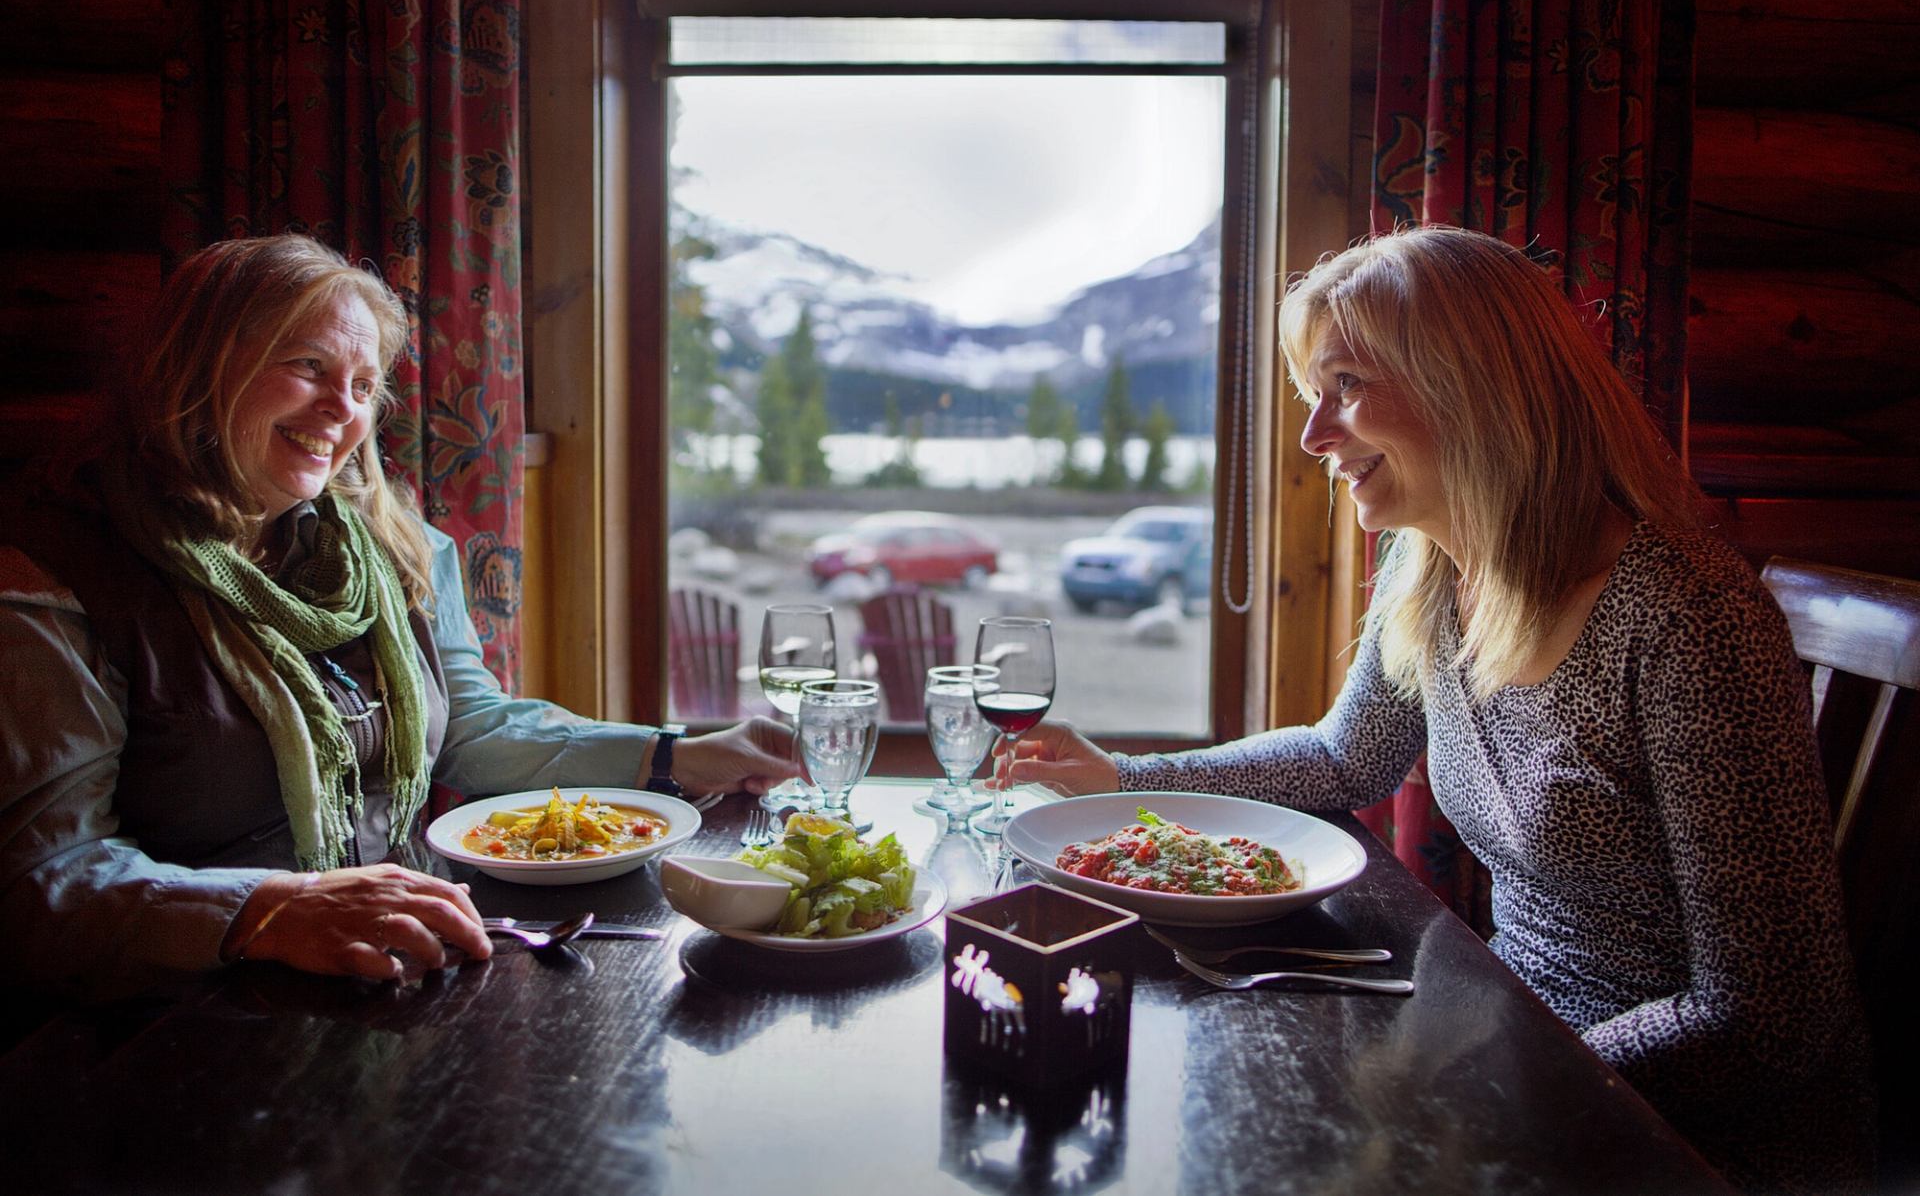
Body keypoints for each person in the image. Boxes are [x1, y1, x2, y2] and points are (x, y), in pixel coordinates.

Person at [1004, 228, 1873, 1194]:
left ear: (1470, 382)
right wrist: (1123, 779)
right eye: (1311, 397)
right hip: (1513, 1044)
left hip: (1685, 1135)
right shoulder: (1434, 576)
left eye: (1345, 387)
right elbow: (1343, 762)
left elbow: (1770, 1018)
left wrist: (1494, 1086)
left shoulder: (1687, 618)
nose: (1314, 439)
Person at [0, 234, 799, 1000]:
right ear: (199, 370)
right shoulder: (56, 577)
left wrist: (683, 758)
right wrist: (267, 910)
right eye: (308, 366)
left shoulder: (391, 542)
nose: (339, 410)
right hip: (176, 1020)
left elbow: (471, 731)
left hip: (397, 969)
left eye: (360, 385)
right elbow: (43, 882)